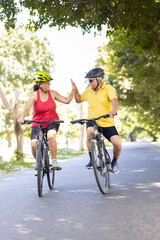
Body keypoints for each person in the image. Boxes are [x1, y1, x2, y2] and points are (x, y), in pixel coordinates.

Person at [18, 71, 75, 169]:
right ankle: (40, 163)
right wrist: (22, 117)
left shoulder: (53, 93)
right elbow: (27, 108)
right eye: (46, 83)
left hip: (52, 121)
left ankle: (54, 161)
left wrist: (73, 89)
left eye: (49, 82)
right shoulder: (34, 95)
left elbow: (67, 100)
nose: (48, 84)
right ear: (39, 84)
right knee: (33, 145)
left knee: (51, 137)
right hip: (37, 122)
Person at [71, 67, 122, 174]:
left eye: (91, 80)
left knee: (117, 144)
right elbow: (78, 99)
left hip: (107, 122)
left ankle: (114, 162)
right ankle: (91, 159)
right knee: (89, 132)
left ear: (99, 79)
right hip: (92, 121)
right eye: (88, 81)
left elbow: (114, 101)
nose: (89, 83)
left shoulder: (108, 88)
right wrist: (75, 89)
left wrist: (113, 111)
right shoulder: (88, 91)